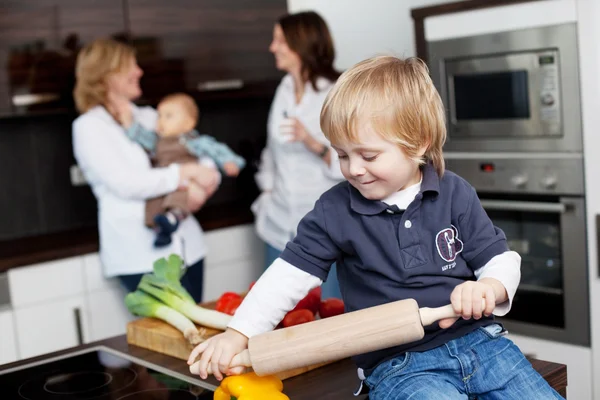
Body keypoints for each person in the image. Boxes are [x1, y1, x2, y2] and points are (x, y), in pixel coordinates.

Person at [187, 56, 564, 400]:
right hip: (401, 366)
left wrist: (489, 287)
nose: (353, 168)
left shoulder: (454, 193)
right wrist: (238, 333)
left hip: (482, 343)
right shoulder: (335, 210)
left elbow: (501, 259)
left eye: (368, 155)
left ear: (419, 144)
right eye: (342, 155)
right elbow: (287, 277)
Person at [72, 38, 220, 302]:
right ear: (107, 75)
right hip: (138, 255)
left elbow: (200, 152)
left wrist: (204, 185)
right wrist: (185, 175)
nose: (139, 71)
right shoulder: (89, 127)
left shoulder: (150, 117)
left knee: (197, 333)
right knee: (170, 337)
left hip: (188, 247)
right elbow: (128, 183)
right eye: (131, 66)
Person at [253, 11, 344, 299]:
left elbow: (355, 162)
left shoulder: (337, 91)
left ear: (301, 43)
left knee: (327, 311)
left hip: (322, 224)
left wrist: (311, 142)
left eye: (280, 40)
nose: (272, 47)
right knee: (276, 309)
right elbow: (271, 150)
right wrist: (268, 191)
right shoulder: (284, 89)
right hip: (278, 222)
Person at [125, 92, 246, 247]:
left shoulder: (191, 141)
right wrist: (129, 124)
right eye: (159, 116)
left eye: (168, 116)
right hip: (164, 184)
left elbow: (215, 149)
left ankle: (173, 218)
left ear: (188, 123)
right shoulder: (157, 141)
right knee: (154, 203)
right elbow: (141, 136)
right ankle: (161, 229)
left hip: (183, 183)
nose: (161, 121)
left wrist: (229, 162)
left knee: (179, 195)